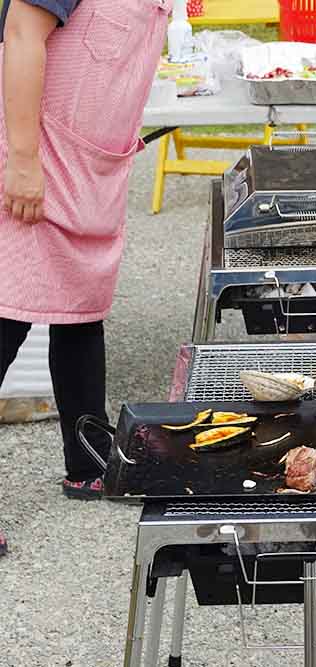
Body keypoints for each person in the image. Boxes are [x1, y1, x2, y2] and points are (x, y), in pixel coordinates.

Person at [0, 0, 170, 556]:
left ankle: (90, 464)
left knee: (81, 307)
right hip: (36, 154)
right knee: (7, 314)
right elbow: (22, 33)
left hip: (90, 162)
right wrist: (23, 160)